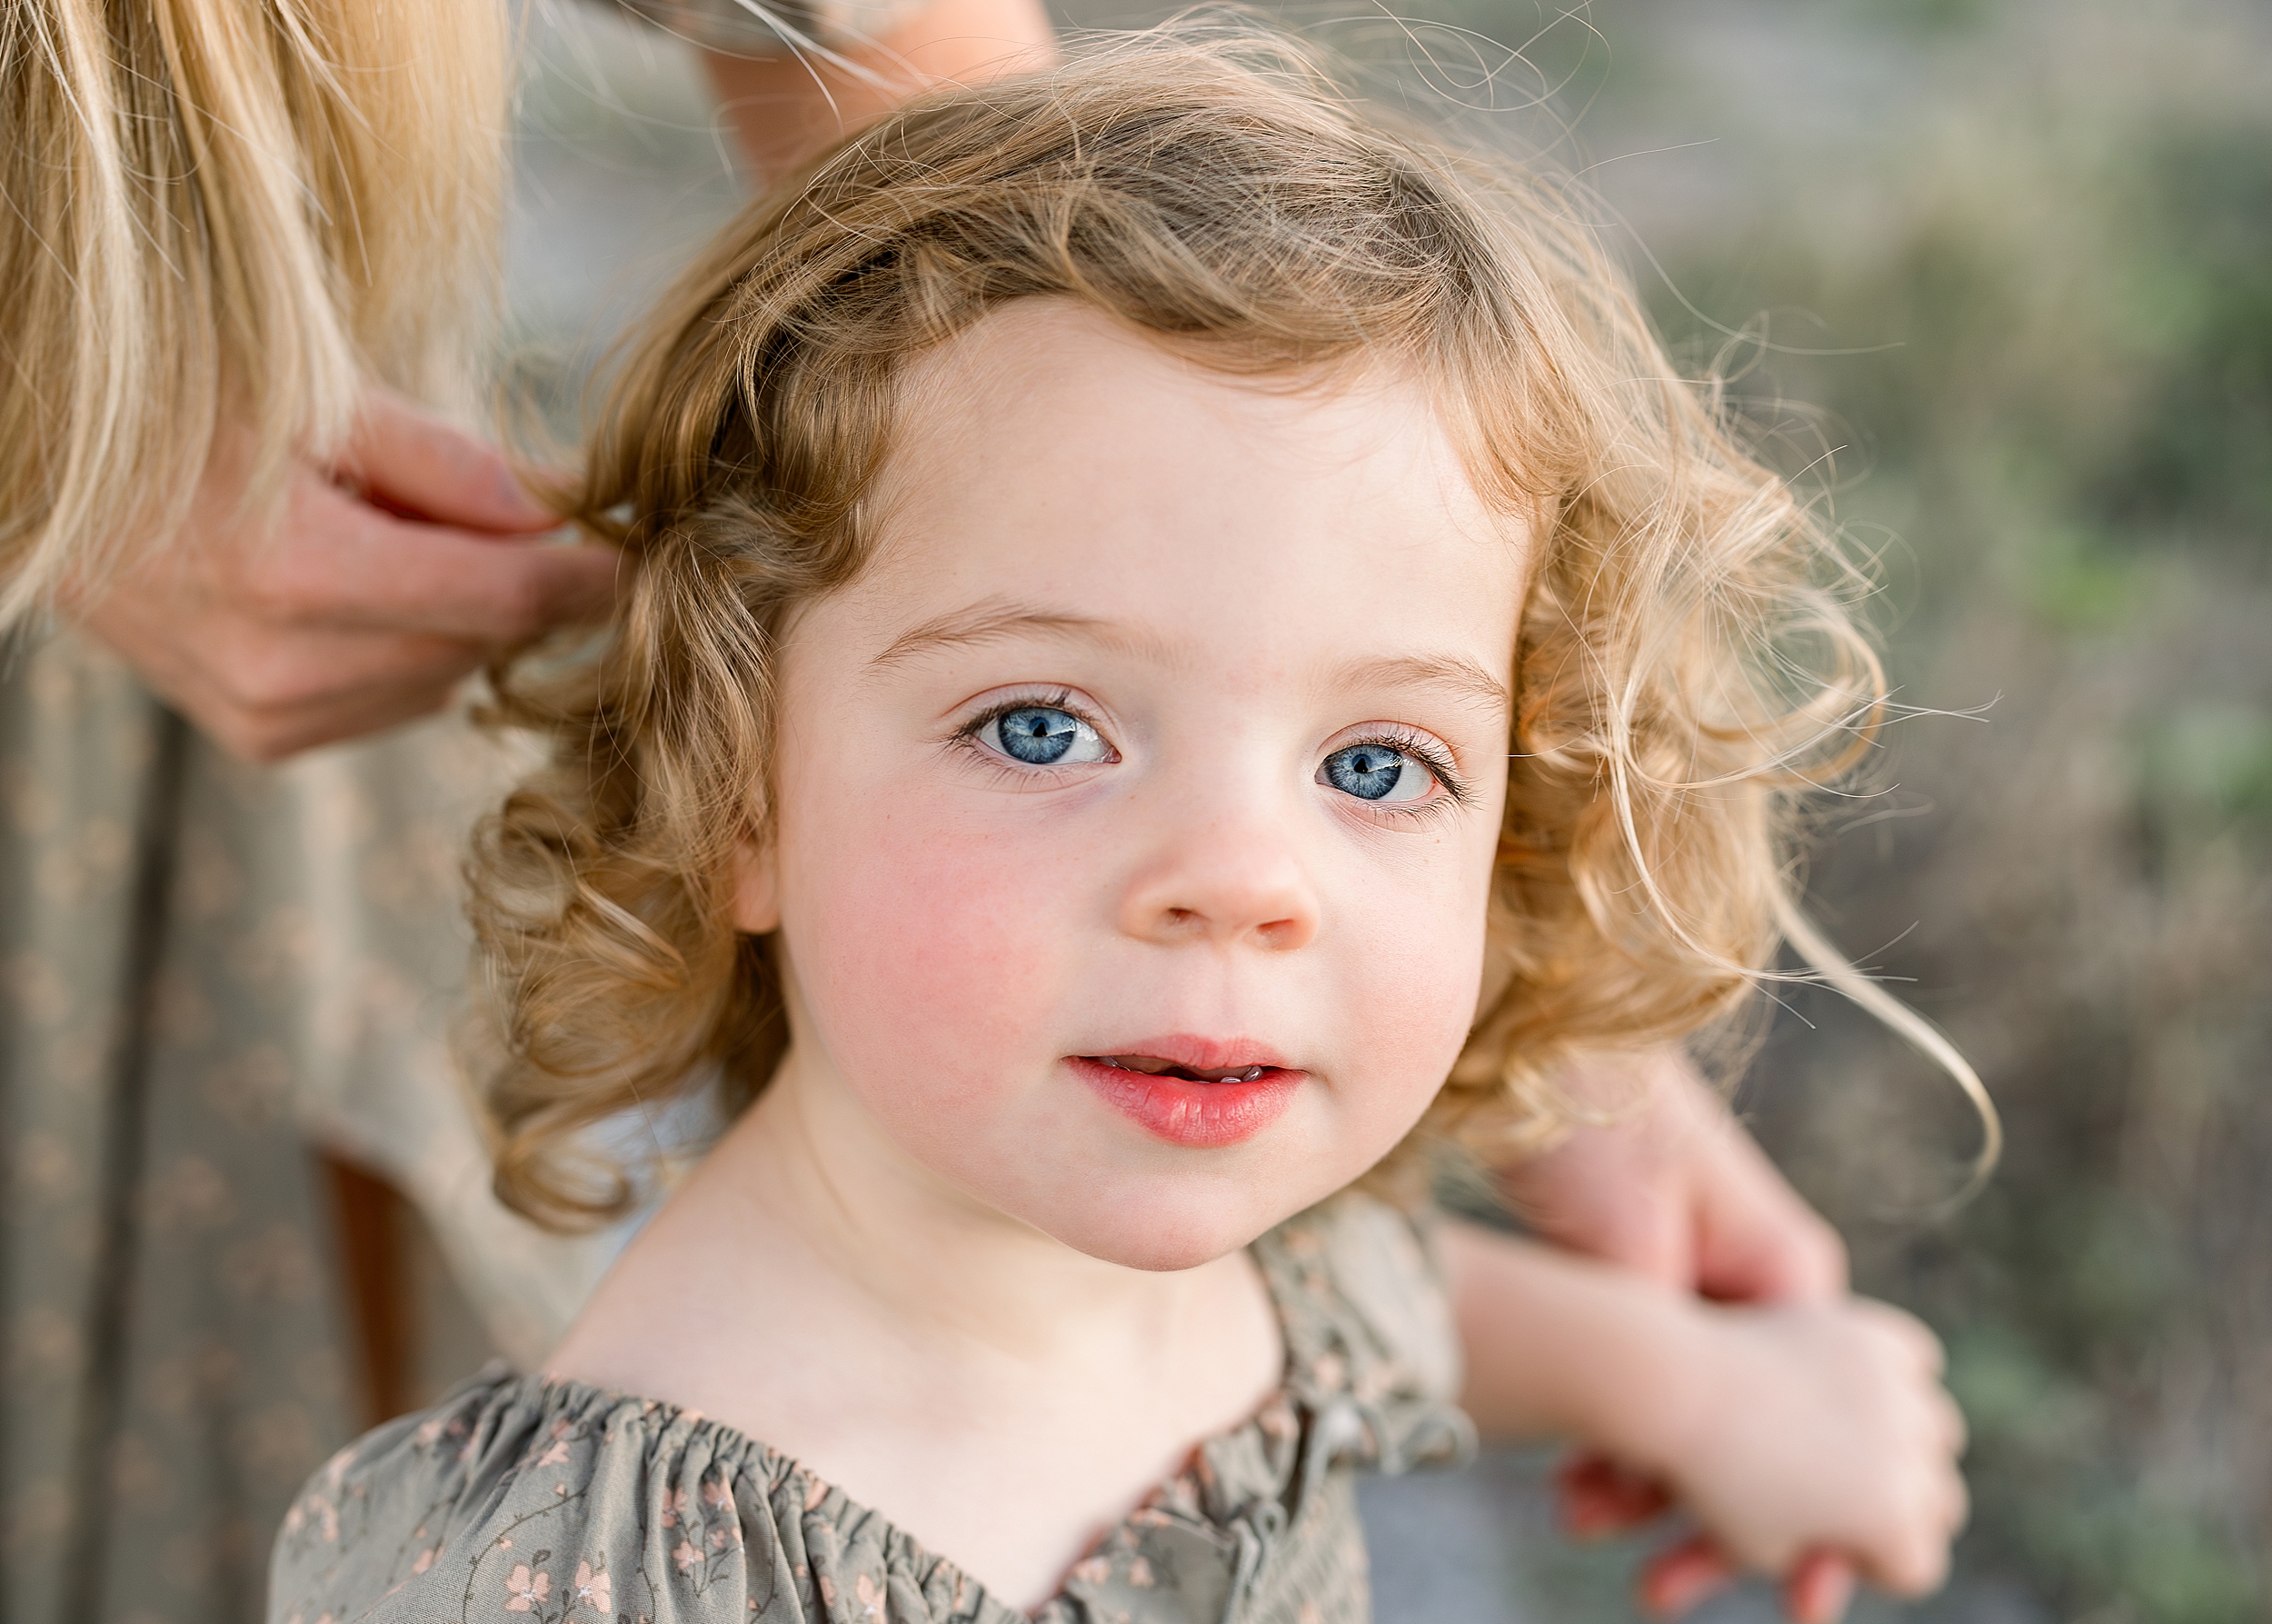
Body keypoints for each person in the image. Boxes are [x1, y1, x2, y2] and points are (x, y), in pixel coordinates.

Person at [265, 28, 1969, 1623]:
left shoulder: (1217, 1253)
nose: (1240, 884)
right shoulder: (559, 1577)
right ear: (738, 790)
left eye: (1378, 766)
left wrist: (1716, 1394)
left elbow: (1376, 1315)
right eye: (1042, 728)